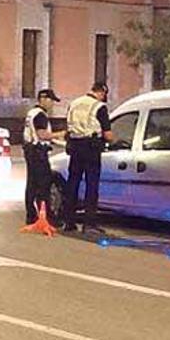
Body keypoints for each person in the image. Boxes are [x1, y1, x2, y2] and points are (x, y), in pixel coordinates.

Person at [63, 82, 113, 233]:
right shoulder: (99, 107)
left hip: (75, 145)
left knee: (73, 183)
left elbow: (68, 126)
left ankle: (69, 222)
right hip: (91, 147)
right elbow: (108, 134)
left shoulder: (74, 104)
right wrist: (112, 141)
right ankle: (89, 224)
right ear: (102, 93)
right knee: (92, 185)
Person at [23, 89, 65, 225]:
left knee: (32, 185)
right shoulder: (40, 115)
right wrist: (61, 134)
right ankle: (46, 218)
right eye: (51, 100)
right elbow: (42, 134)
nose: (52, 104)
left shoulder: (32, 113)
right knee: (43, 186)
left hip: (30, 150)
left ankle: (31, 216)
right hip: (38, 152)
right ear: (43, 99)